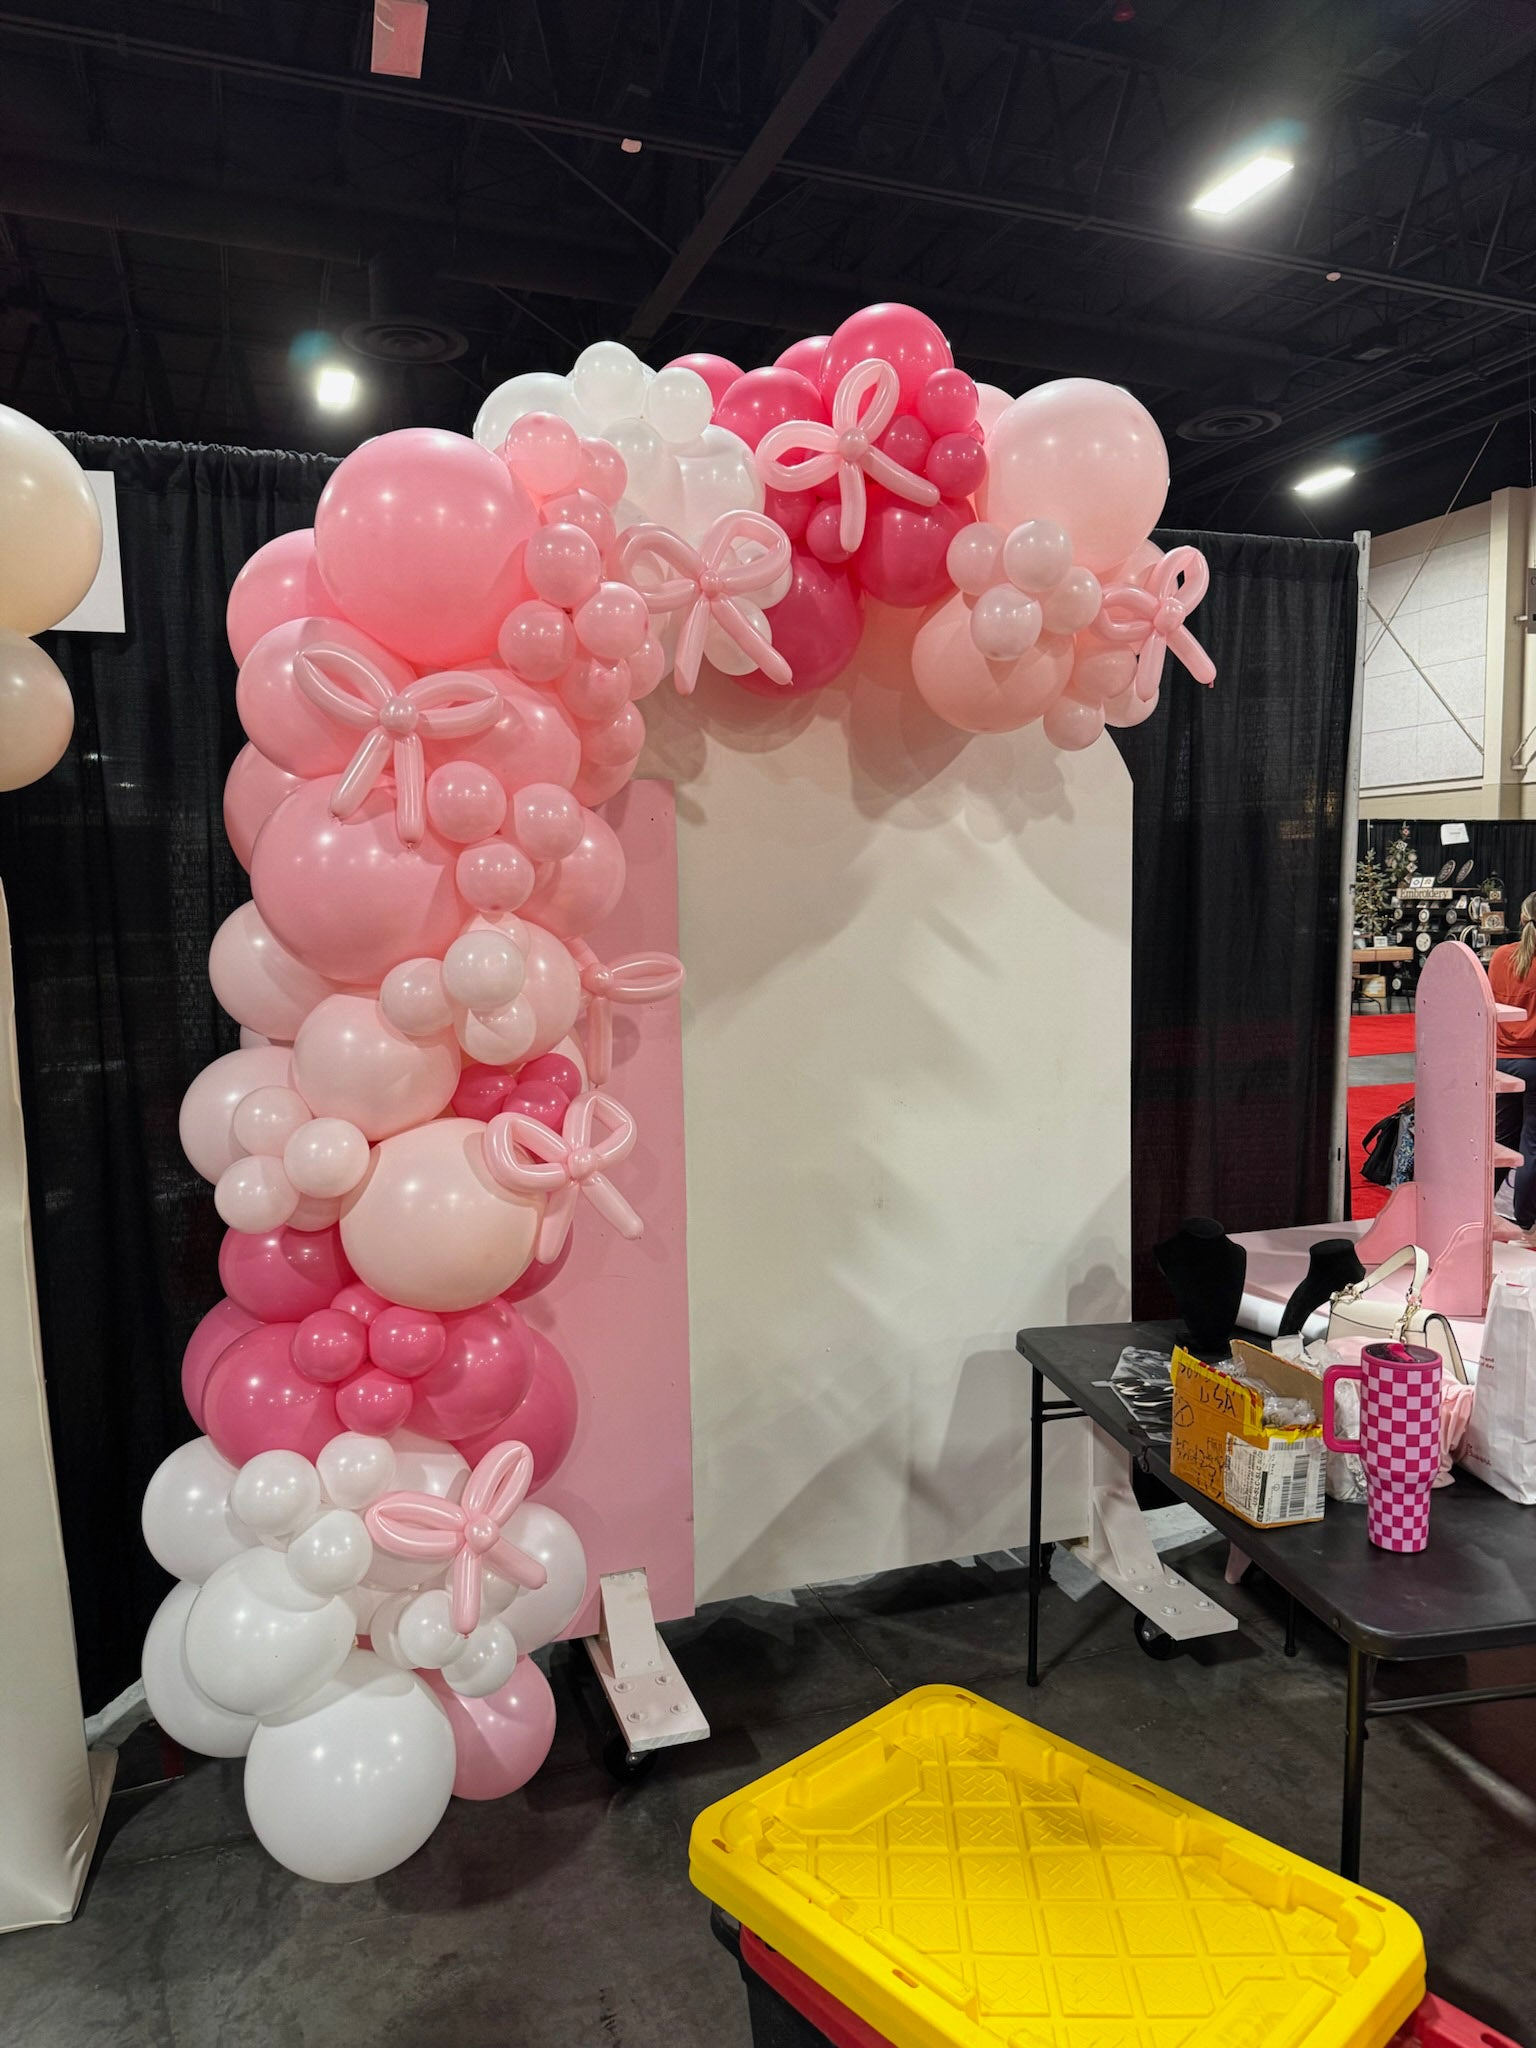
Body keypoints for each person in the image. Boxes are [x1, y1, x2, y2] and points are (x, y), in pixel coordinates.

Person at [1489, 890, 1536, 1233]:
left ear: (1521, 918)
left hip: (1500, 1062)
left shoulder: (1500, 957)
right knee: (1531, 1145)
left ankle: (1476, 1210)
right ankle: (1527, 1223)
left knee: (1500, 1142)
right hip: (1534, 1062)